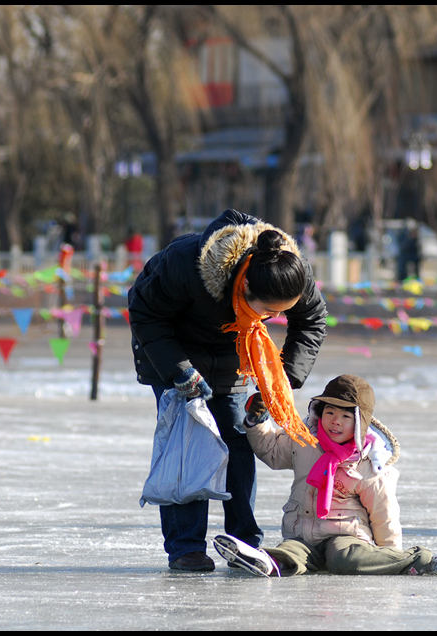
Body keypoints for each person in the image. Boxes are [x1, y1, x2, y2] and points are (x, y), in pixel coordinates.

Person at [128, 208, 328, 572]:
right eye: (267, 311)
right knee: (189, 445)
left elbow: (312, 320)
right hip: (172, 349)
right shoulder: (186, 263)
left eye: (279, 314)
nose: (271, 319)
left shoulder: (290, 269)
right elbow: (144, 312)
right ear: (246, 285)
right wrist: (180, 372)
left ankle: (243, 541)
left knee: (239, 439)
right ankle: (185, 546)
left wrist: (279, 382)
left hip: (237, 352)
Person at [212, 374, 437, 577]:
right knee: (290, 551)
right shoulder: (305, 440)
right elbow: (272, 452)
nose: (335, 422)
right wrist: (258, 420)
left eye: (345, 416)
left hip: (347, 537)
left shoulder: (369, 463)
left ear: (360, 423)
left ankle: (422, 558)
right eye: (330, 413)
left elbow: (384, 514)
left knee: (344, 559)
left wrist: (390, 556)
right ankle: (267, 561)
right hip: (303, 534)